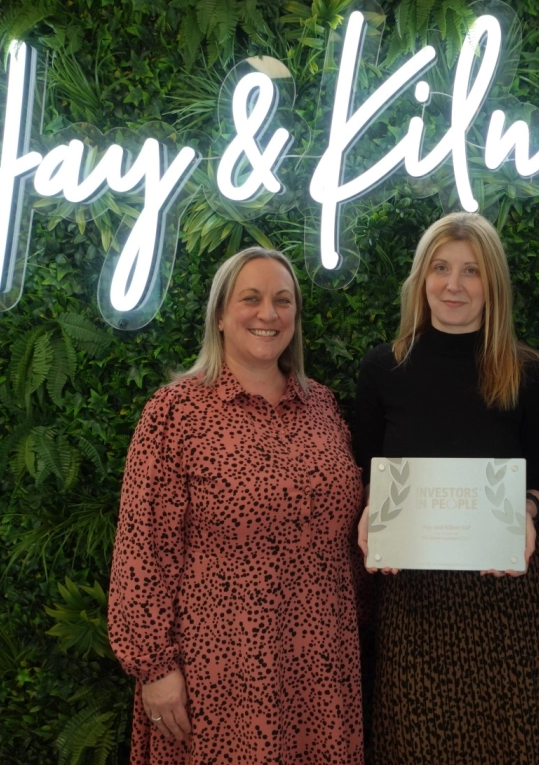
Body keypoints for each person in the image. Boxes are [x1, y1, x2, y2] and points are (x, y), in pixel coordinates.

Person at [108, 247, 364, 764]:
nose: (269, 313)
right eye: (251, 298)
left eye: (283, 300)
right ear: (220, 316)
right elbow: (141, 552)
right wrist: (155, 669)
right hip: (218, 670)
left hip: (321, 666)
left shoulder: (323, 407)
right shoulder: (175, 413)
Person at [354, 212, 539, 764]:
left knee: (520, 746)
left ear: (492, 284)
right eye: (441, 268)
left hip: (507, 595)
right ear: (421, 279)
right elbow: (366, 472)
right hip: (414, 600)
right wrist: (368, 513)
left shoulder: (527, 372)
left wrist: (527, 510)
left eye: (471, 271)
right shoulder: (383, 369)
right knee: (417, 746)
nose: (453, 285)